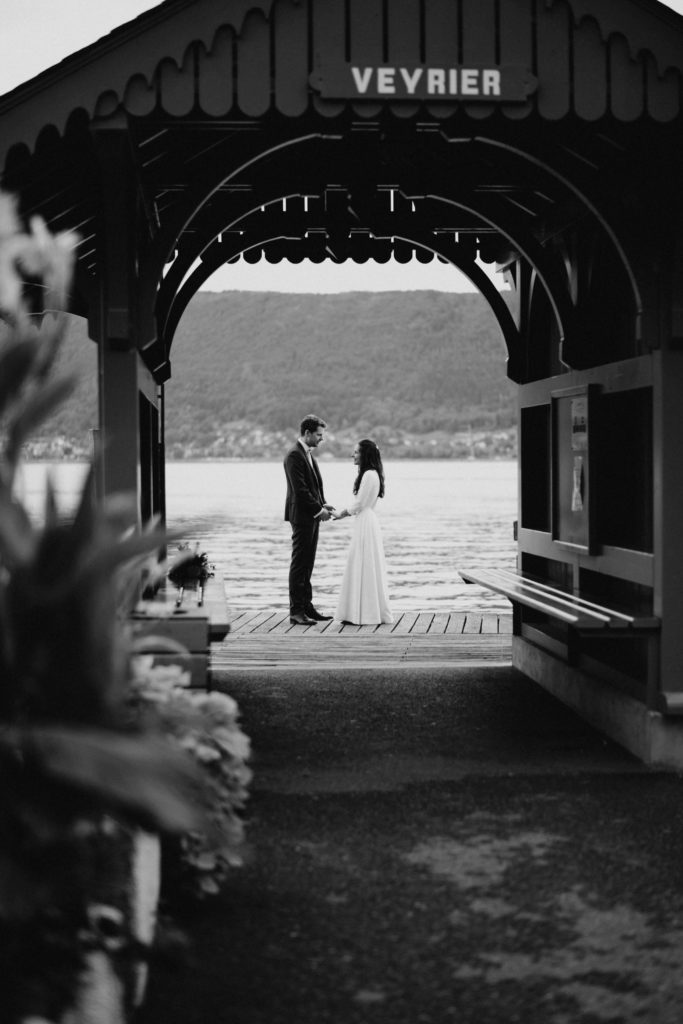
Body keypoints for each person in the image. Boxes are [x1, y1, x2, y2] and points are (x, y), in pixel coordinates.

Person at [333, 439, 393, 625]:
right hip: (367, 521)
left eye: (357, 452)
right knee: (366, 564)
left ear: (365, 454)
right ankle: (364, 611)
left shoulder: (368, 475)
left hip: (365, 522)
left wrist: (342, 513)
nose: (353, 455)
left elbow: (359, 504)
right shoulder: (373, 474)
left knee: (363, 563)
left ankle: (361, 613)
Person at [284, 414, 336, 625]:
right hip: (302, 516)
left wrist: (322, 504)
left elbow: (313, 486)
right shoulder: (294, 455)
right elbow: (301, 490)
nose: (321, 439)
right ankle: (296, 611)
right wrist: (317, 510)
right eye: (319, 434)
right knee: (300, 564)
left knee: (308, 563)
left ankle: (307, 606)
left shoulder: (307, 454)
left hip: (311, 515)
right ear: (307, 433)